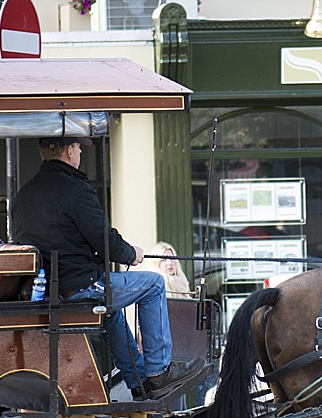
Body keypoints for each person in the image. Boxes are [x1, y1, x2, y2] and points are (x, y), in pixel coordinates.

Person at [11, 136, 190, 399]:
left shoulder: (24, 195)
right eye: (79, 148)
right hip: (78, 287)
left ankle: (139, 383)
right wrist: (133, 254)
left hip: (45, 290)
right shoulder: (75, 190)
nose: (80, 153)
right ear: (70, 151)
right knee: (153, 284)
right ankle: (158, 372)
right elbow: (106, 241)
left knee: (112, 312)